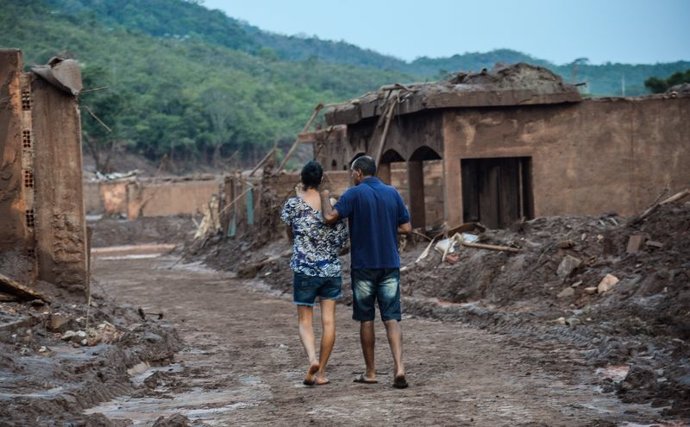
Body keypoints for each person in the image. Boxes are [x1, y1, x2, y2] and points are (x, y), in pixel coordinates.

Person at [321, 155, 412, 389]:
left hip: (364, 267)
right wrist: (385, 227)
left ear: (359, 173)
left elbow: (330, 217)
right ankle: (399, 368)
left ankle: (371, 372)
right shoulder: (392, 192)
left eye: (353, 173)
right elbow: (407, 227)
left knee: (367, 319)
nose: (353, 176)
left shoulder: (354, 193)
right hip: (389, 264)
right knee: (392, 317)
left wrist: (324, 197)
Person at [280, 160, 348, 386]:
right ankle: (322, 373)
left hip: (304, 269)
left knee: (305, 320)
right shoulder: (333, 204)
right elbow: (341, 239)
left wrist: (301, 247)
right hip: (330, 269)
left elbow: (289, 233)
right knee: (329, 321)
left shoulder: (292, 205)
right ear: (321, 180)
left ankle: (312, 359)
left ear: (302, 179)